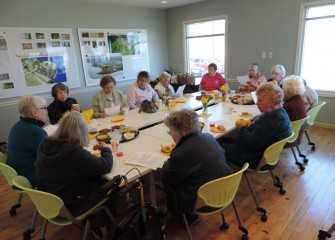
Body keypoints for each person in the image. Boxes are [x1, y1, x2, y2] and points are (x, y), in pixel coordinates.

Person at [36, 111, 117, 228]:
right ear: (82, 130)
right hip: (70, 205)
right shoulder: (75, 152)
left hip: (48, 199)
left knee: (92, 175)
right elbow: (106, 166)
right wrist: (106, 150)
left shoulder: (45, 143)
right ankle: (104, 224)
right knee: (112, 183)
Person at [162, 109, 231, 222]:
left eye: (170, 131)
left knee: (169, 186)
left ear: (178, 131)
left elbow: (168, 181)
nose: (170, 135)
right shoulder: (209, 137)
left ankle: (184, 216)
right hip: (224, 191)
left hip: (202, 200)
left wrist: (167, 165)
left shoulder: (180, 153)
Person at [221, 82, 292, 169]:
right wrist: (251, 125)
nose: (257, 103)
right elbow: (261, 134)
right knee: (225, 139)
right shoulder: (280, 111)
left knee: (217, 147)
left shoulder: (271, 119)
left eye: (260, 100)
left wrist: (242, 128)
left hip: (255, 158)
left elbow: (252, 143)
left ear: (272, 101)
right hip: (265, 154)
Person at [7, 95, 48, 187]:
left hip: (18, 174)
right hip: (29, 177)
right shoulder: (34, 131)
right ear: (34, 113)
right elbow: (51, 156)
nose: (46, 111)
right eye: (44, 108)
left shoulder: (18, 126)